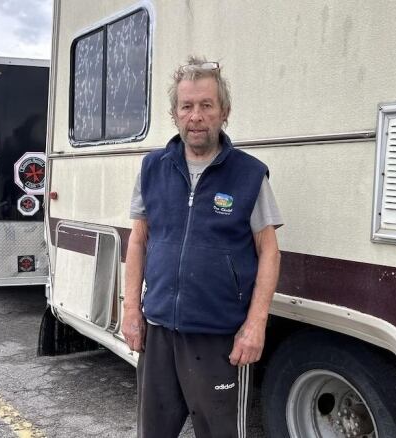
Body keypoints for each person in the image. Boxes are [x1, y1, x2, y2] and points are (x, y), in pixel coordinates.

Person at [122, 56, 283, 438]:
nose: (196, 116)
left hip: (219, 337)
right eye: (187, 106)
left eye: (206, 105)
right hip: (159, 330)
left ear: (223, 112)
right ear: (174, 113)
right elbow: (139, 240)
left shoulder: (249, 174)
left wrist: (255, 326)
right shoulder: (152, 168)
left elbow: (270, 252)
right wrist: (131, 309)